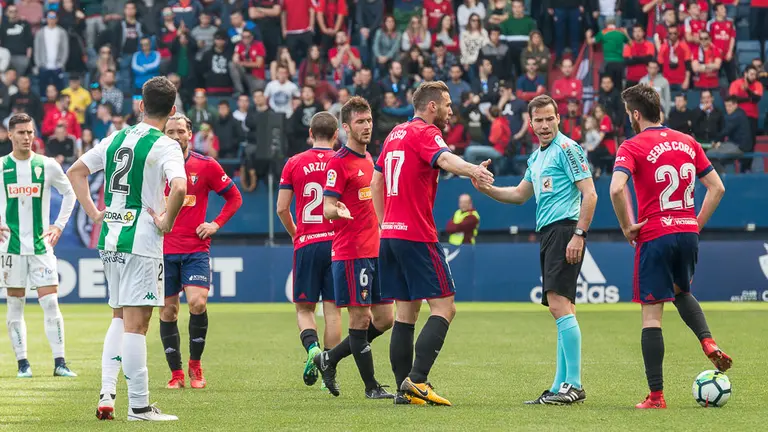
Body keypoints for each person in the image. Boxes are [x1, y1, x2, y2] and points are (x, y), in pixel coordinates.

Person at [67, 76, 186, 421]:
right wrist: (167, 221)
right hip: (141, 241)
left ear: (140, 105)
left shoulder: (116, 137)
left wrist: (94, 213)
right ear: (172, 111)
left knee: (119, 316)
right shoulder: (166, 145)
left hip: (110, 239)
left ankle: (107, 393)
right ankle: (139, 406)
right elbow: (179, 187)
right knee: (137, 325)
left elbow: (76, 171)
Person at [371, 81, 494, 406]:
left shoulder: (394, 134)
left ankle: (403, 391)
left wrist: (384, 223)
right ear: (431, 106)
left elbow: (376, 181)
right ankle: (419, 379)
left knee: (405, 313)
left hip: (391, 235)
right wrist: (473, 171)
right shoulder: (425, 132)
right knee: (444, 307)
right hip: (416, 234)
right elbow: (445, 159)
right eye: (448, 105)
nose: (451, 111)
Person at [609, 84, 732, 409]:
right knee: (681, 290)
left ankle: (656, 396)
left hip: (655, 233)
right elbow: (717, 188)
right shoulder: (688, 142)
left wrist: (626, 225)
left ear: (636, 114)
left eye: (629, 113)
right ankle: (707, 341)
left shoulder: (631, 146)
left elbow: (616, 189)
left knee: (652, 316)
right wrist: (695, 224)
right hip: (687, 231)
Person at [473, 94, 597, 405]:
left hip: (565, 230)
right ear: (530, 124)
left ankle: (574, 385)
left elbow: (590, 193)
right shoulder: (536, 158)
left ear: (558, 119)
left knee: (559, 307)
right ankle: (559, 385)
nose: (544, 125)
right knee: (563, 309)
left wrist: (579, 234)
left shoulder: (567, 149)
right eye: (538, 120)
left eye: (549, 119)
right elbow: (518, 195)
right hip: (550, 233)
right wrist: (486, 189)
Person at [313, 97, 395, 400]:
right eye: (360, 122)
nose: (367, 126)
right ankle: (371, 387)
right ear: (346, 127)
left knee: (385, 319)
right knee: (360, 320)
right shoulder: (338, 162)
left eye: (369, 120)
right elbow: (326, 207)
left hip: (375, 251)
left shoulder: (370, 159)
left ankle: (329, 358)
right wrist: (338, 211)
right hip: (351, 253)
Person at [159, 113, 243, 390]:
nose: (175, 136)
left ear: (189, 135)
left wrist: (215, 223)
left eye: (180, 131)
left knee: (197, 303)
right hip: (162, 250)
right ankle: (176, 374)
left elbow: (234, 197)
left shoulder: (205, 165)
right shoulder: (153, 166)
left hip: (195, 248)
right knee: (168, 311)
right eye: (170, 132)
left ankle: (195, 366)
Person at [1, 112, 77, 379]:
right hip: (10, 249)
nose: (26, 137)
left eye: (30, 132)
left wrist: (58, 225)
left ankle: (60, 363)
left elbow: (70, 194)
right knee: (15, 307)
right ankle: (23, 364)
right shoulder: (2, 166)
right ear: (10, 134)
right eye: (21, 132)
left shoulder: (47, 165)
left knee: (51, 304)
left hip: (41, 247)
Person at [276, 111, 343, 387]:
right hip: (337, 244)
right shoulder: (342, 160)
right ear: (336, 134)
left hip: (307, 243)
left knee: (304, 309)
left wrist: (296, 233)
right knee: (333, 311)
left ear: (310, 133)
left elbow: (281, 208)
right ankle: (329, 369)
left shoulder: (294, 162)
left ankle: (312, 349)